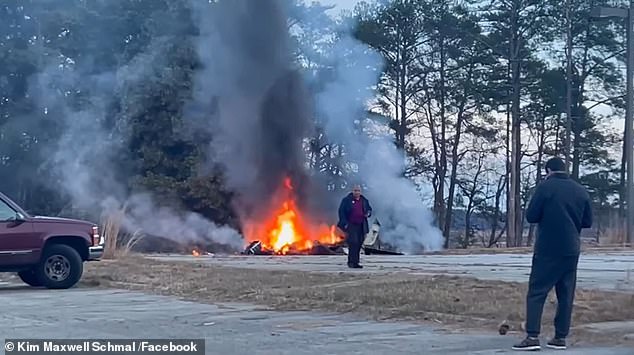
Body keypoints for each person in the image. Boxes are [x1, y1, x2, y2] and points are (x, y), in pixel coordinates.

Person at [512, 157, 593, 351]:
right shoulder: (580, 190)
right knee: (566, 294)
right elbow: (587, 222)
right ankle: (560, 337)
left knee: (537, 292)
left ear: (548, 170)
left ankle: (532, 336)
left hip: (548, 249)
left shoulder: (545, 188)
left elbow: (531, 216)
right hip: (571, 249)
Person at [337, 184, 372, 269]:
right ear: (352, 191)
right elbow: (341, 211)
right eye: (355, 190)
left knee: (359, 243)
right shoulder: (347, 200)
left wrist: (368, 213)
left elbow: (369, 209)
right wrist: (344, 223)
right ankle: (351, 262)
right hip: (351, 225)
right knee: (353, 242)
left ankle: (356, 262)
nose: (357, 192)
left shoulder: (364, 200)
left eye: (358, 190)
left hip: (361, 225)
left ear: (361, 191)